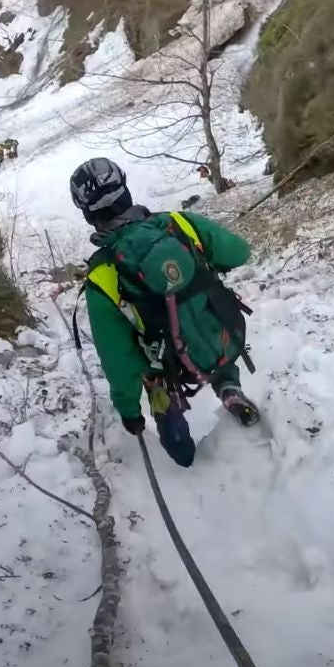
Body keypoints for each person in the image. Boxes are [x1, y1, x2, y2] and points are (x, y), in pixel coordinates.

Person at [70, 157, 260, 467]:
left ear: (89, 215)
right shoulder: (180, 224)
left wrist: (129, 410)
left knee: (156, 384)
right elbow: (239, 252)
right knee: (209, 334)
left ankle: (185, 460)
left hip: (168, 365)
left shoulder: (102, 274)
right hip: (220, 332)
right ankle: (228, 388)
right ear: (125, 191)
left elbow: (118, 358)